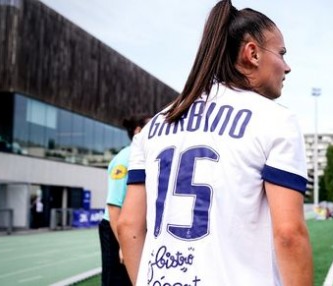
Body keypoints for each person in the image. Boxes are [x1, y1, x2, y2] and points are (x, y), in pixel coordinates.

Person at [118, 1, 313, 285]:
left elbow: (128, 226)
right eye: (281, 54)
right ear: (252, 53)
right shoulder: (275, 120)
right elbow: (289, 234)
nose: (287, 66)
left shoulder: (154, 125)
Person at [99, 114, 150, 286]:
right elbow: (114, 207)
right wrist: (123, 245)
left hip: (133, 227)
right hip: (115, 228)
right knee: (115, 281)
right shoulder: (124, 158)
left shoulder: (144, 156)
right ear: (137, 131)